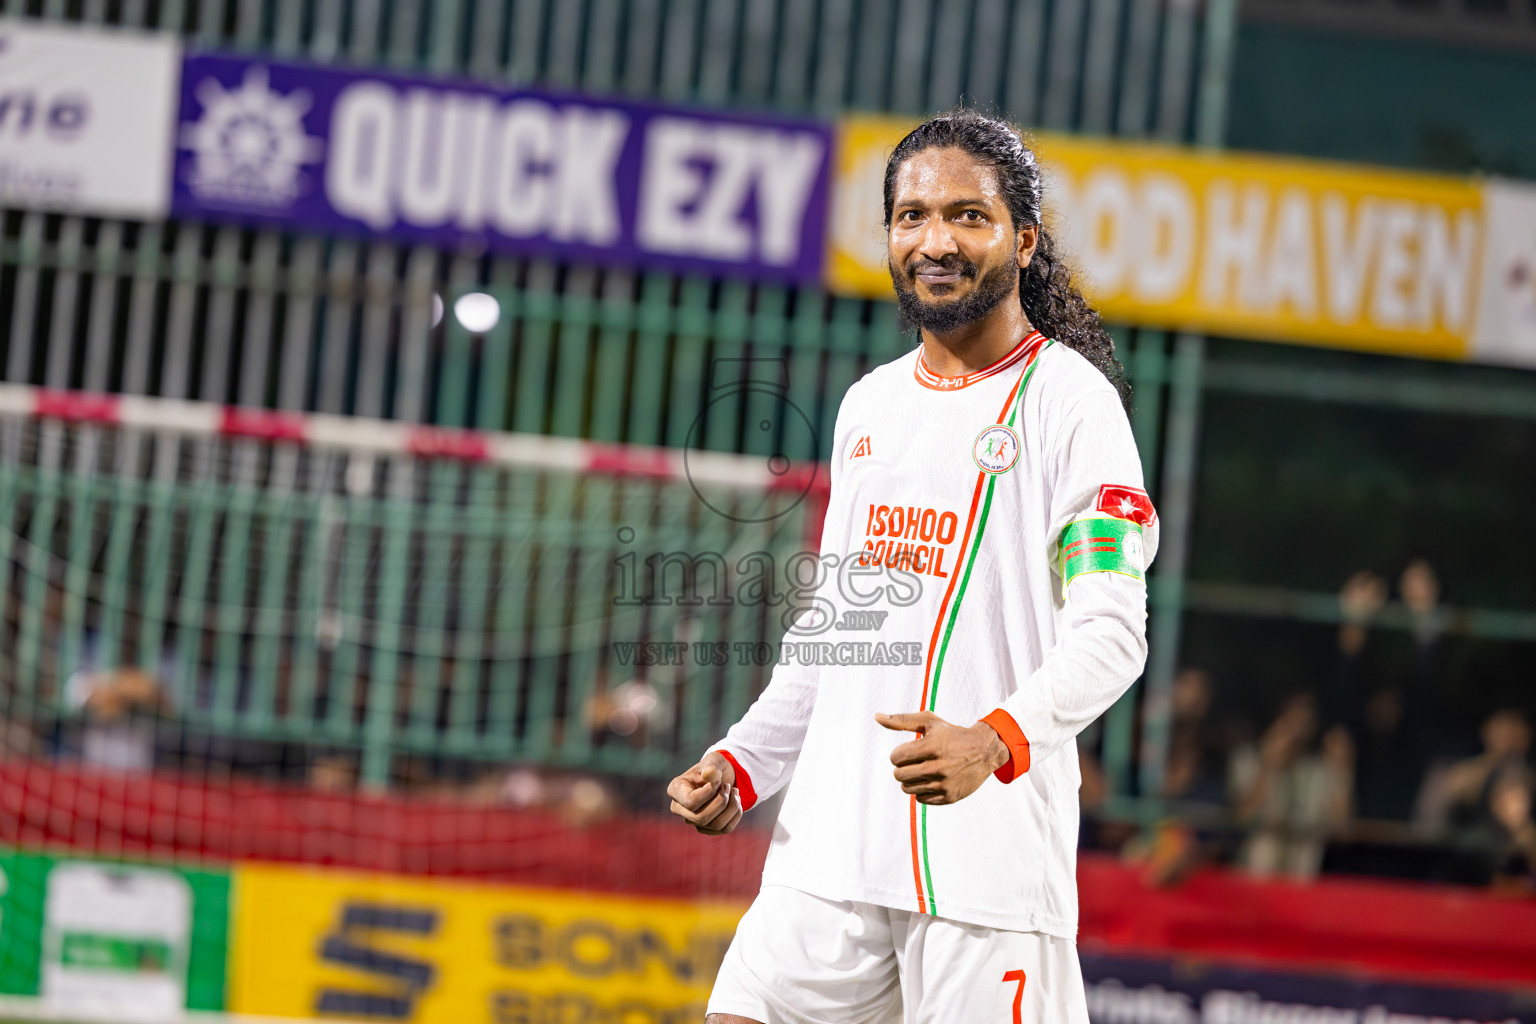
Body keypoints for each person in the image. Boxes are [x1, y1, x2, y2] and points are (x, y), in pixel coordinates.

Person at [666, 111, 1157, 1023]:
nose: (936, 240)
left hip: (986, 882)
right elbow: (832, 638)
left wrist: (993, 742)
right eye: (912, 215)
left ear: (1024, 239)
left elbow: (1113, 635)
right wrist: (742, 764)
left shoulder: (1073, 407)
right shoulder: (869, 407)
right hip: (832, 858)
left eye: (969, 216)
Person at [1228, 693, 1354, 880]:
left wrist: (1341, 772)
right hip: (1255, 877)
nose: (1297, 730)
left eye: (1305, 721)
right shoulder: (1248, 759)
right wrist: (1269, 765)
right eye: (1292, 720)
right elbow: (1244, 815)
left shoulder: (1319, 771)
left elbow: (1340, 827)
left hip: (1302, 878)